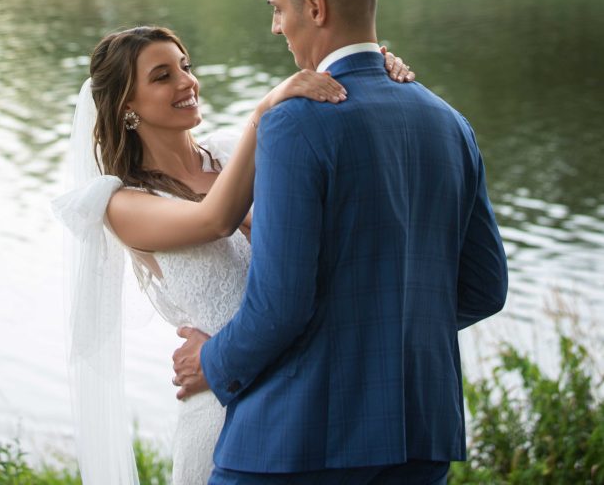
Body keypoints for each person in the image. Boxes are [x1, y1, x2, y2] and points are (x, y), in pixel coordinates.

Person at [173, 0, 508, 485]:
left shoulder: (295, 124)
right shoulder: (450, 123)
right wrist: (378, 327)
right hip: (420, 437)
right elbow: (484, 289)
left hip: (297, 440)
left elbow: (281, 305)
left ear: (314, 5)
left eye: (278, 8)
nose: (276, 26)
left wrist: (211, 362)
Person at [53, 24, 415, 485]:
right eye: (162, 76)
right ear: (127, 106)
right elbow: (214, 221)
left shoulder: (230, 154)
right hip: (222, 408)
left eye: (185, 66)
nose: (187, 82)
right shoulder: (123, 204)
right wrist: (263, 110)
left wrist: (376, 68)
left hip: (309, 388)